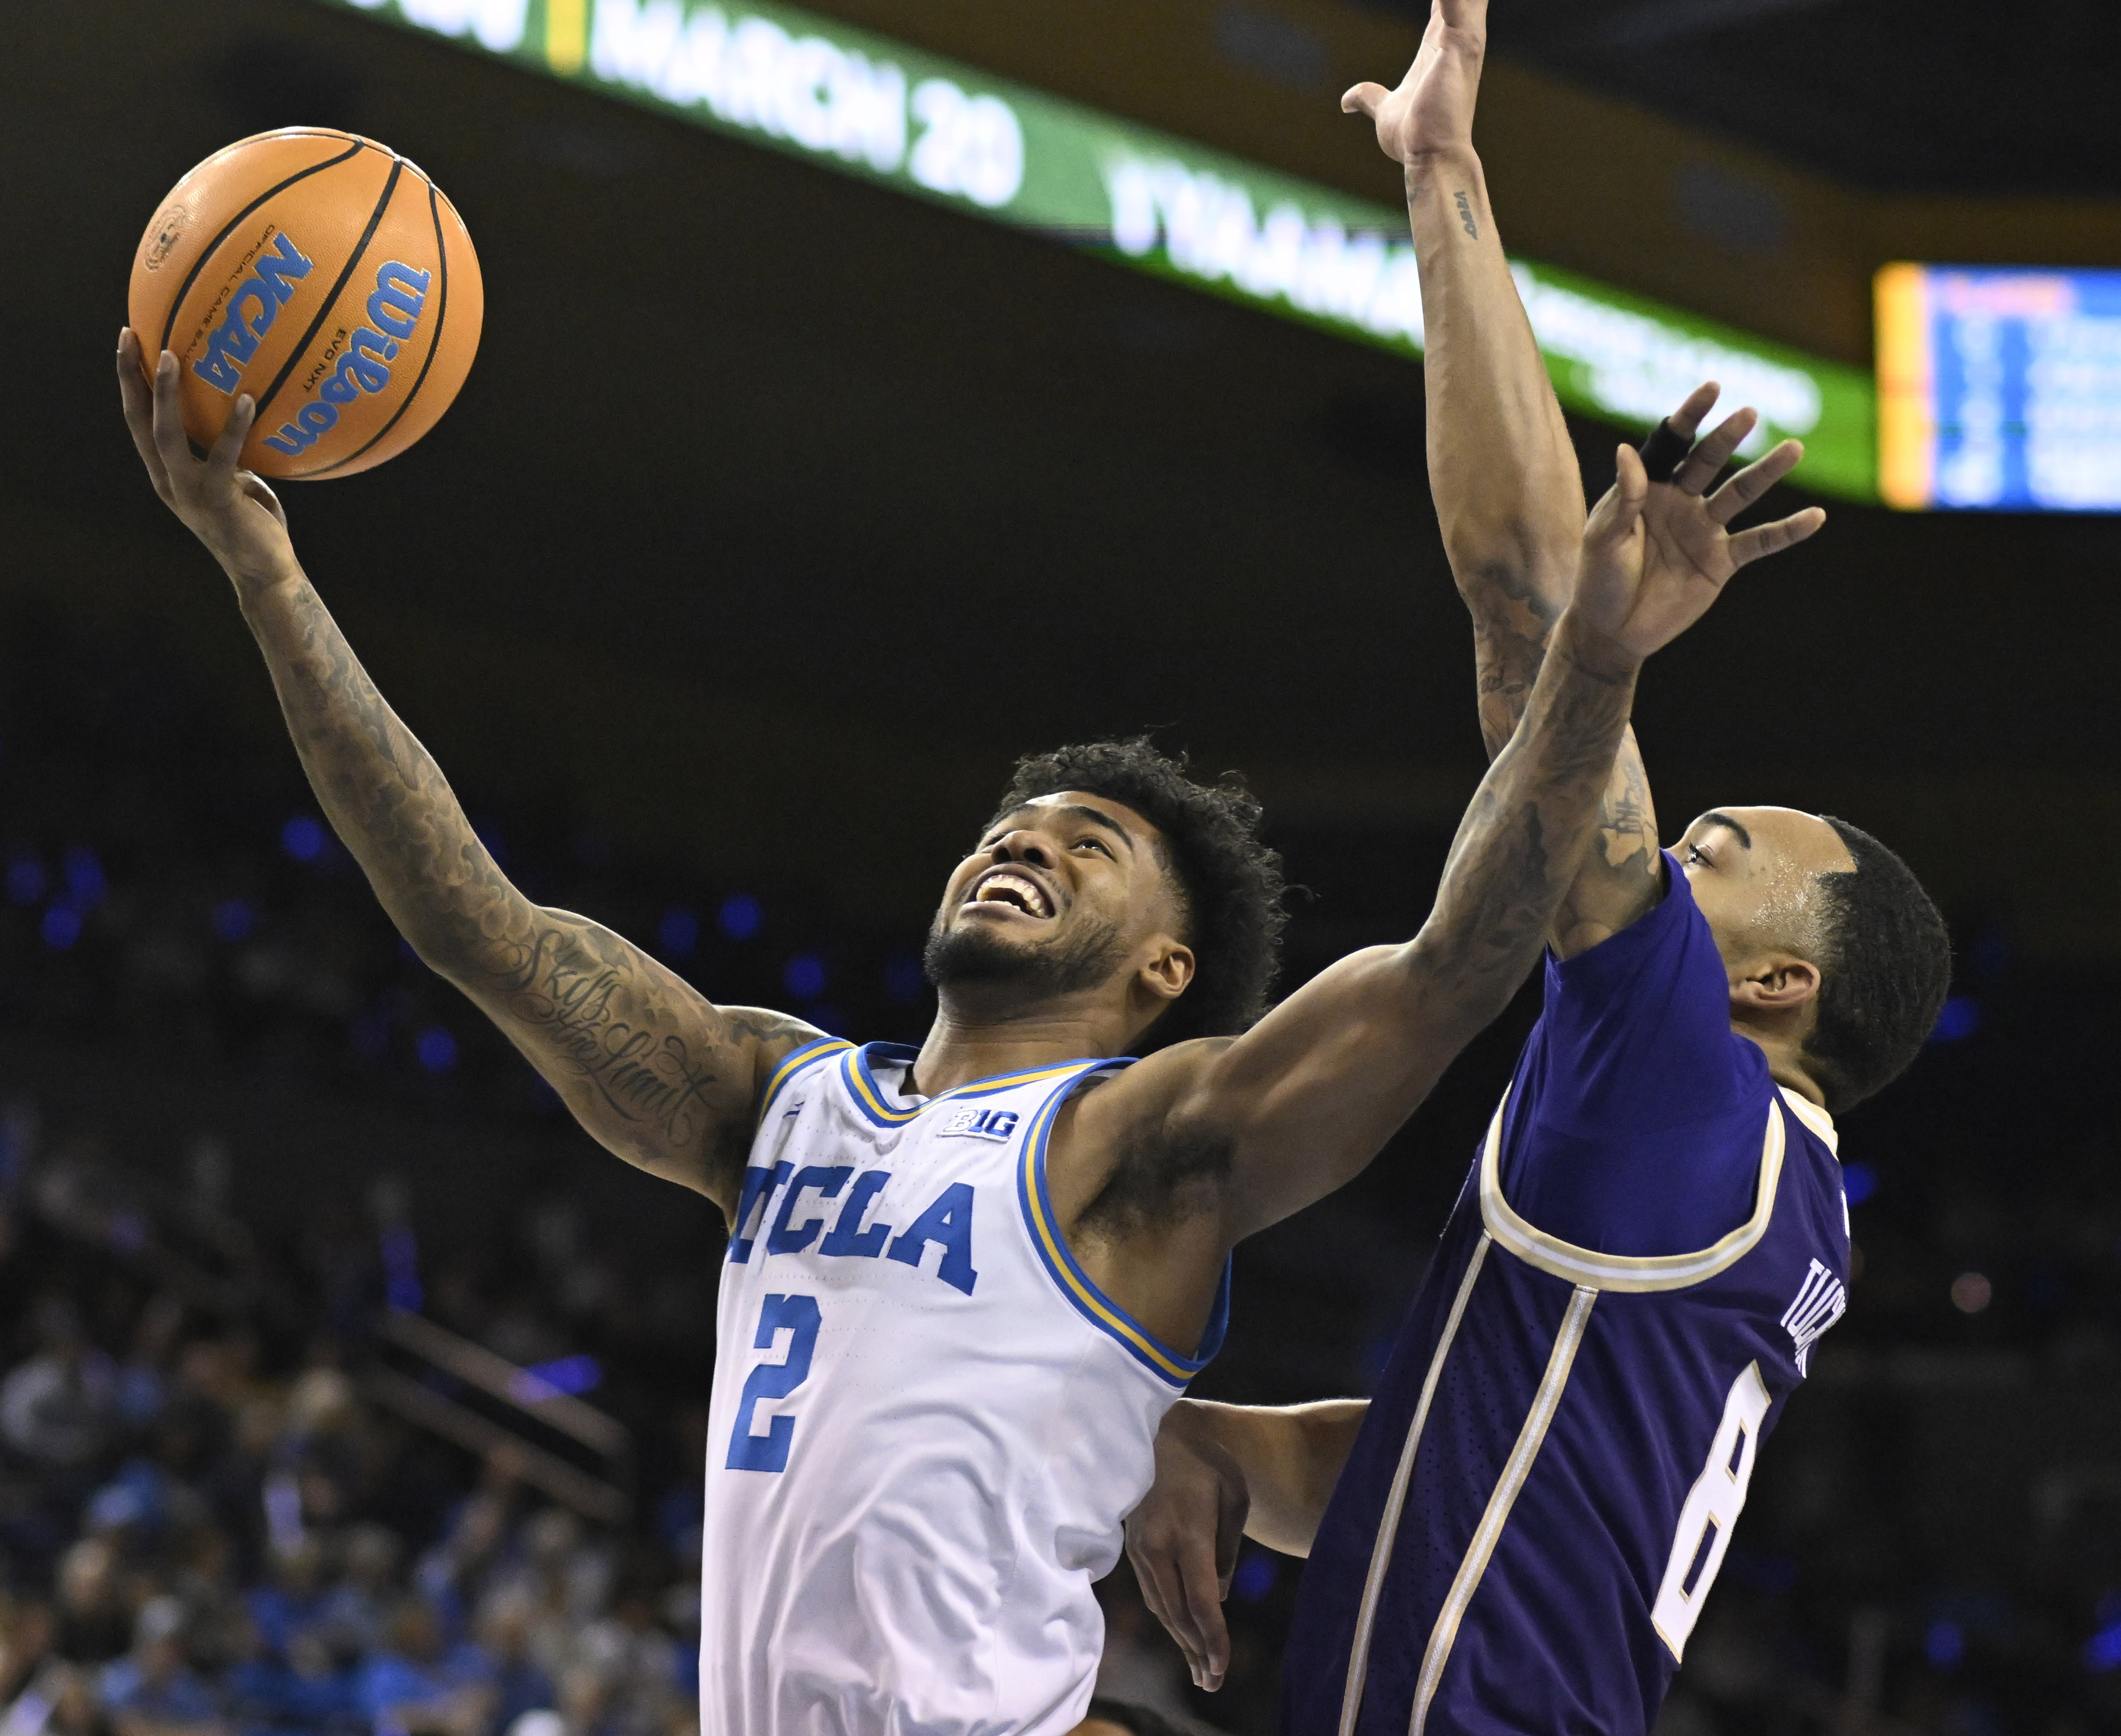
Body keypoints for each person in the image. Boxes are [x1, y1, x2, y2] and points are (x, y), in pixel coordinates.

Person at [116, 294, 1807, 1734]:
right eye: (1014, 824)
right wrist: (264, 574)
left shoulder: (1148, 1147)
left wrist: (1593, 666)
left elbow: (1460, 956)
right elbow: (479, 927)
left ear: (1164, 971)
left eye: (1090, 848)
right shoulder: (769, 1098)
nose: (1022, 843)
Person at [1121, 5, 1955, 1731]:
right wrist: (1207, 1437)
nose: (1669, 837)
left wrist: (1443, 174)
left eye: (1712, 851)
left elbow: (1518, 591)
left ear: (1771, 985)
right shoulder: (1748, 1205)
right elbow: (1458, 1479)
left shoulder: (1684, 1098)